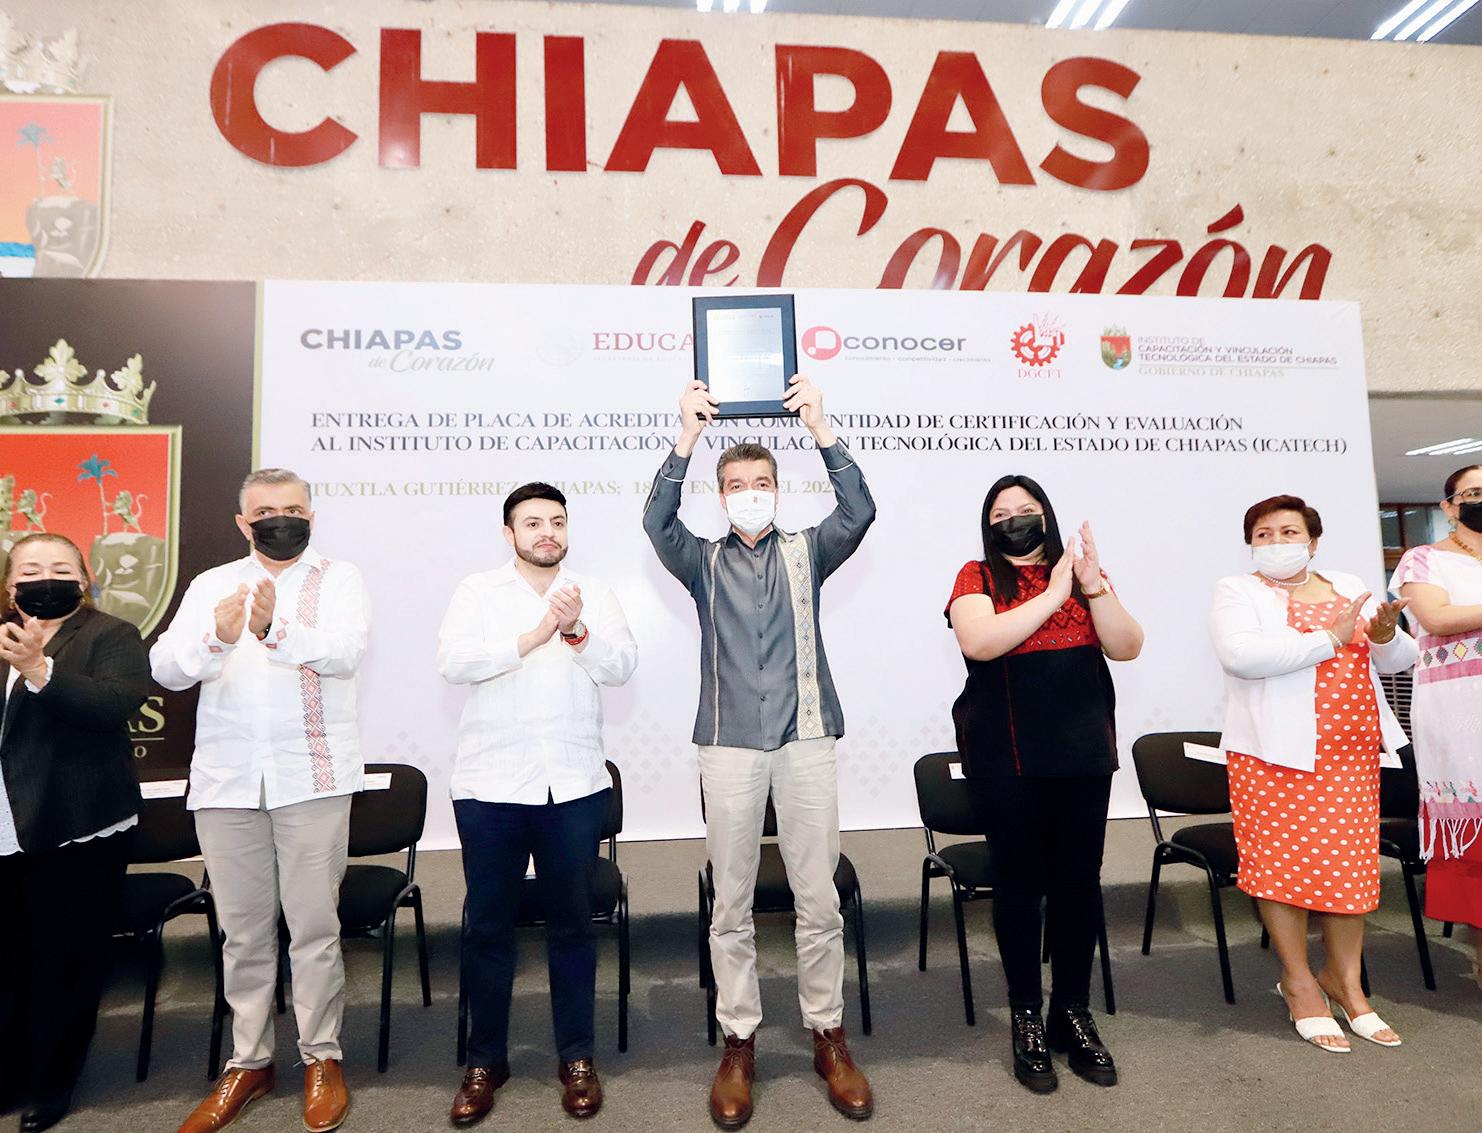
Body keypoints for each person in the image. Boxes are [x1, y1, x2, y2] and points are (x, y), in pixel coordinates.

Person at [643, 376, 875, 1130]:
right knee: (732, 904)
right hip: (728, 743)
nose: (750, 494)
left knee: (818, 898)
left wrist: (821, 427)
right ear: (720, 496)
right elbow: (655, 519)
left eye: (762, 483)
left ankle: (827, 1032)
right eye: (737, 485)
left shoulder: (808, 549)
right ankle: (738, 1040)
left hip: (807, 737)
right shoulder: (700, 560)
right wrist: (687, 436)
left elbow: (860, 511)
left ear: (778, 489)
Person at [152, 469, 370, 1133]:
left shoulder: (340, 578)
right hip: (228, 780)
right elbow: (165, 668)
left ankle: (321, 1056)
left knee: (314, 928)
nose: (282, 519)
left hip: (313, 776)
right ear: (243, 523)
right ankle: (249, 1060)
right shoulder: (212, 584)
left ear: (312, 515)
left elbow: (344, 653)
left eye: (294, 509)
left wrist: (273, 628)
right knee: (242, 931)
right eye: (267, 511)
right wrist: (217, 637)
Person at [438, 482, 637, 1126]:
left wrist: (575, 630)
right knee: (488, 928)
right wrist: (533, 635)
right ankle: (484, 1062)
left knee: (572, 927)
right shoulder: (477, 592)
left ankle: (576, 1058)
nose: (547, 532)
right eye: (532, 523)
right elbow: (454, 664)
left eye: (557, 521)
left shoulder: (592, 591)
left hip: (572, 787)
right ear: (510, 534)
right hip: (490, 788)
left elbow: (621, 667)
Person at [946, 476, 1142, 1094]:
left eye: (1026, 510)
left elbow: (1127, 646)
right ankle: (1027, 1017)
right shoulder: (977, 577)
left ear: (1047, 516)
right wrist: (1055, 592)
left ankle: (1071, 1012)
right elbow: (980, 642)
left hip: (1083, 755)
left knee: (1078, 885)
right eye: (1001, 514)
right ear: (988, 526)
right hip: (1006, 758)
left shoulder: (1083, 578)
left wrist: (1091, 585)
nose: (1015, 520)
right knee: (1019, 886)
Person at [1211, 495, 1414, 1053]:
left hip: (1350, 754)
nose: (1276, 542)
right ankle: (1299, 982)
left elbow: (1399, 659)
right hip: (1273, 755)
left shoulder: (1348, 585)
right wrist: (1331, 637)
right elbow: (1241, 657)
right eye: (1263, 534)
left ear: (1313, 541)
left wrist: (1383, 635)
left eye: (1288, 532)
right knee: (1281, 868)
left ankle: (1345, 981)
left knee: (1349, 870)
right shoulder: (1239, 591)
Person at [0, 533, 149, 1132]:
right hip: (5, 825)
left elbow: (112, 706)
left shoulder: (111, 635)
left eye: (62, 568)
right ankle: (10, 1073)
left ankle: (51, 1083)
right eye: (31, 569)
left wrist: (39, 668)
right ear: (10, 585)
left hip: (77, 824)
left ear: (84, 581)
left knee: (65, 961)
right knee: (9, 958)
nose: (46, 578)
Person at [1391, 464, 1482, 987]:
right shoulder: (1422, 558)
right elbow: (1437, 618)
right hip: (1461, 713)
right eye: (1473, 492)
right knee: (1477, 840)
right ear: (1449, 506)